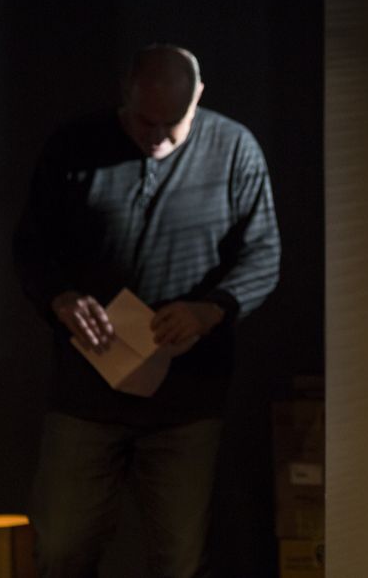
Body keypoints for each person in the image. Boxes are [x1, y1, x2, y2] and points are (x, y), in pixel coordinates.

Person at [14, 44, 281, 577]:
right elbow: (32, 246)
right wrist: (61, 299)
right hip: (87, 392)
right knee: (60, 549)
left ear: (198, 96)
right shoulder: (74, 146)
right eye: (145, 121)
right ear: (126, 92)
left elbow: (263, 254)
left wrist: (210, 310)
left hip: (187, 399)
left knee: (181, 560)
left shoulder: (233, 148)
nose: (157, 136)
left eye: (172, 123)